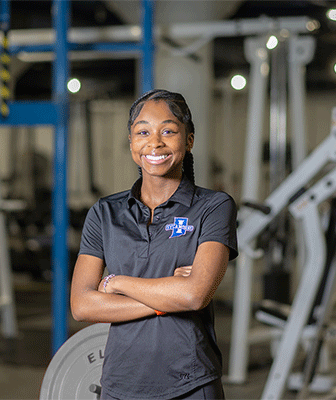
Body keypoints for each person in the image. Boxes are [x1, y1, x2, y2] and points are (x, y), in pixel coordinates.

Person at [70, 89, 238, 400]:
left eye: (169, 131)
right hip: (120, 384)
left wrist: (116, 282)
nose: (155, 142)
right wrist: (166, 298)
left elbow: (194, 295)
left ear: (188, 141)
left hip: (190, 383)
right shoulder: (105, 213)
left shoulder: (213, 207)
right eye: (143, 131)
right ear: (132, 142)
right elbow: (82, 305)